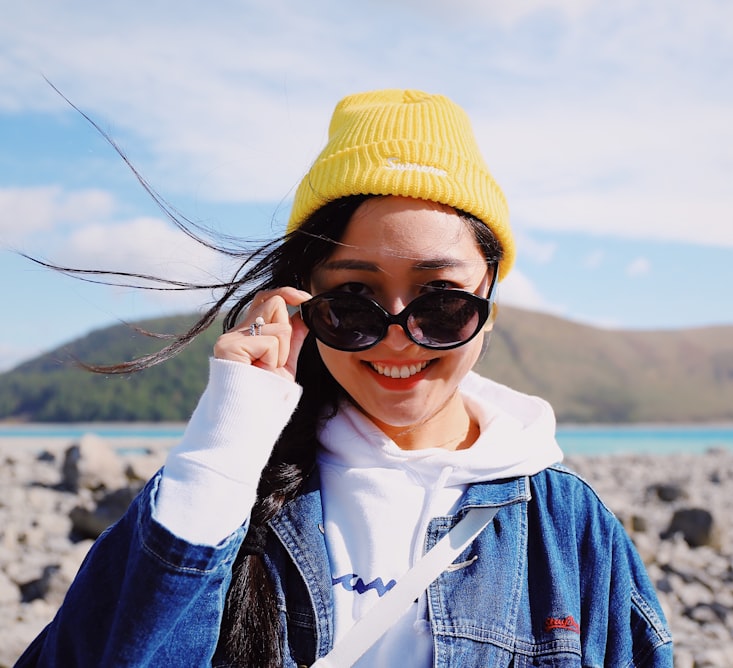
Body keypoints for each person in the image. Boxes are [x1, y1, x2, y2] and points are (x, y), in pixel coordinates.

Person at [16, 89, 673, 667]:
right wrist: (225, 445)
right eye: (354, 301)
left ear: (489, 308)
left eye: (441, 301)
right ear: (305, 302)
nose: (397, 336)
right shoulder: (231, 495)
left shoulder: (566, 527)